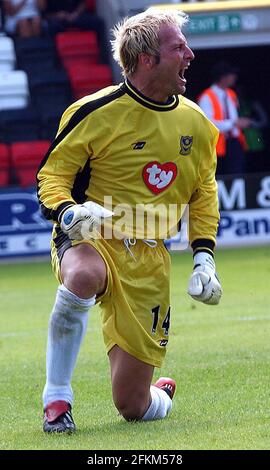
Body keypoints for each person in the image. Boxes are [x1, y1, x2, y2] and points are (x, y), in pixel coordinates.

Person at [37, 8, 222, 434]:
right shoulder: (93, 112)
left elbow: (203, 194)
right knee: (83, 274)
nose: (190, 54)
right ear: (146, 60)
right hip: (92, 235)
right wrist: (69, 212)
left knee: (134, 407)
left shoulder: (196, 123)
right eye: (179, 47)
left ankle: (158, 393)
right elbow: (52, 175)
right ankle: (56, 401)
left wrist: (203, 258)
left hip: (151, 258)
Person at [198, 61, 251, 175]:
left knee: (238, 173)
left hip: (235, 143)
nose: (234, 77)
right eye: (231, 74)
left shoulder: (231, 94)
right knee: (222, 176)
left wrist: (238, 123)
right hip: (219, 145)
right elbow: (208, 124)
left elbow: (233, 116)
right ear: (223, 78)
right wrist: (234, 123)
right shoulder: (207, 97)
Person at [42, 0, 108, 63]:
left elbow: (83, 4)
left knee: (98, 23)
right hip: (59, 20)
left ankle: (103, 58)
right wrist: (57, 15)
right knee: (51, 27)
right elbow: (46, 15)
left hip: (76, 16)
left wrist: (76, 13)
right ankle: (55, 61)